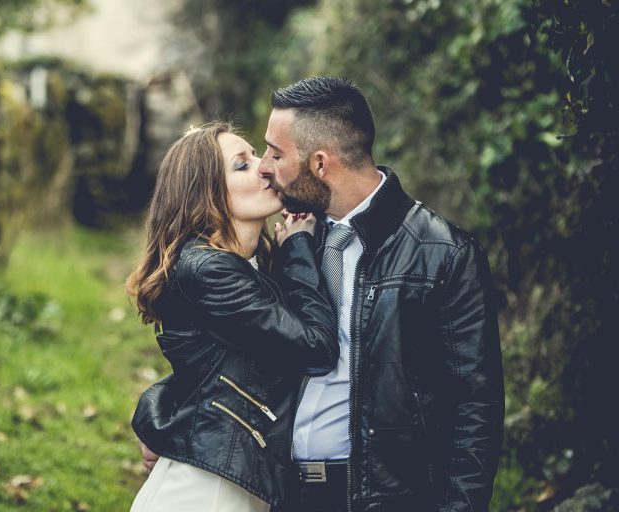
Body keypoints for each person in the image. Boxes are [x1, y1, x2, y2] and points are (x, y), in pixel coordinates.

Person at [143, 77, 505, 512]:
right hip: (278, 489)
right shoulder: (293, 240)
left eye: (274, 154)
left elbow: (475, 403)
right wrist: (164, 414)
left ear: (319, 163)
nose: (265, 167)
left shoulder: (442, 253)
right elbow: (232, 350)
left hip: (382, 496)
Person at [126, 122, 340, 512]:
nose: (264, 167)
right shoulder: (208, 270)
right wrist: (299, 249)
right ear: (206, 193)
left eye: (258, 155)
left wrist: (156, 413)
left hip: (227, 481)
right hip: (205, 493)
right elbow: (316, 348)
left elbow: (215, 365)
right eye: (242, 165)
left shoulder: (250, 266)